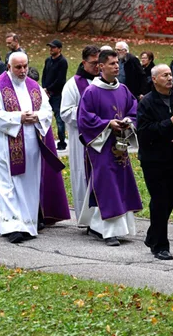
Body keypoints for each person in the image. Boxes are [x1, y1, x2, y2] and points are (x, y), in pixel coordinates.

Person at [0, 52, 71, 243]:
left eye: (25, 66)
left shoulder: (34, 86)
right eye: (18, 67)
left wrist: (37, 117)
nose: (22, 71)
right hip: (4, 145)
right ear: (8, 67)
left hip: (30, 147)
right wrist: (17, 118)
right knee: (7, 186)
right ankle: (11, 226)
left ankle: (27, 224)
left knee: (29, 185)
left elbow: (47, 110)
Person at [77, 49, 142, 247]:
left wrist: (128, 122)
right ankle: (108, 231)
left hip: (119, 143)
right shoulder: (91, 92)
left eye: (117, 63)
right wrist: (108, 124)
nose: (116, 67)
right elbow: (85, 119)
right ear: (101, 67)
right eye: (112, 63)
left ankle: (100, 225)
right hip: (101, 146)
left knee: (119, 183)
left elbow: (133, 109)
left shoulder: (122, 89)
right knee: (106, 185)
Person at [136, 64, 173, 261]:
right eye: (165, 75)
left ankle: (152, 234)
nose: (169, 78)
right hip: (153, 160)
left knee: (170, 200)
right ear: (154, 79)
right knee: (160, 200)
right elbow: (144, 133)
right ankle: (160, 245)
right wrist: (169, 123)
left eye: (170, 75)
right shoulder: (147, 103)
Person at [60, 45, 101, 221]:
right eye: (93, 63)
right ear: (84, 62)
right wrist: (89, 116)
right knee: (83, 177)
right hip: (82, 140)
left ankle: (104, 217)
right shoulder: (73, 85)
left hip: (105, 138)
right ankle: (87, 219)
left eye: (100, 62)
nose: (97, 67)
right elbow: (65, 112)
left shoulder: (104, 81)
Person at [42, 39, 68, 150]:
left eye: (53, 47)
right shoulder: (48, 60)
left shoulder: (62, 62)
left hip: (57, 94)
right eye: (50, 47)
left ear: (59, 49)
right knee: (44, 116)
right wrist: (44, 88)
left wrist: (49, 88)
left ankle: (62, 142)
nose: (51, 49)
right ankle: (45, 140)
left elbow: (60, 80)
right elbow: (44, 74)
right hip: (46, 93)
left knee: (59, 119)